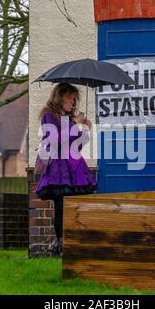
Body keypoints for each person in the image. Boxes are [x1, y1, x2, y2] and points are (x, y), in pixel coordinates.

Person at [35, 83, 97, 256]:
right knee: (61, 205)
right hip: (59, 169)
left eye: (74, 98)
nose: (73, 101)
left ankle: (74, 240)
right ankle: (61, 243)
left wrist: (84, 129)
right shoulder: (48, 115)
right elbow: (55, 140)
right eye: (70, 97)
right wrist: (74, 124)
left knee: (77, 204)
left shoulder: (68, 118)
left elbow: (76, 143)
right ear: (60, 96)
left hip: (75, 167)